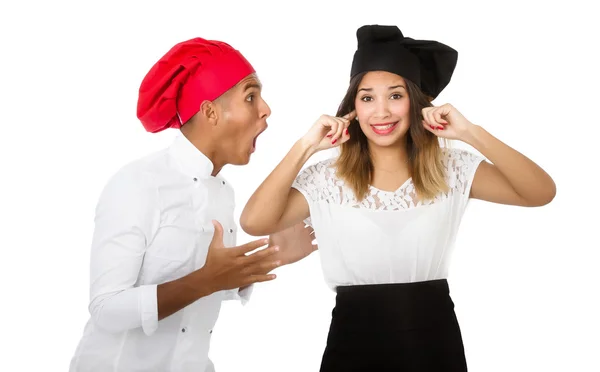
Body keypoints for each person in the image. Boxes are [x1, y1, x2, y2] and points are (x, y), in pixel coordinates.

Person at [240, 25, 556, 371]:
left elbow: (540, 192)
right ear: (353, 109)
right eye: (367, 98)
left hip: (433, 343)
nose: (381, 112)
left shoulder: (451, 169)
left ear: (415, 103)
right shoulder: (328, 178)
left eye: (395, 95)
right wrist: (305, 147)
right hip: (352, 343)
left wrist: (470, 133)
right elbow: (255, 221)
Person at [69, 37, 316, 372]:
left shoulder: (224, 192)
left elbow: (201, 294)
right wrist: (205, 280)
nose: (266, 109)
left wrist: (265, 259)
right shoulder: (139, 184)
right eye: (250, 96)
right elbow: (106, 308)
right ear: (210, 112)